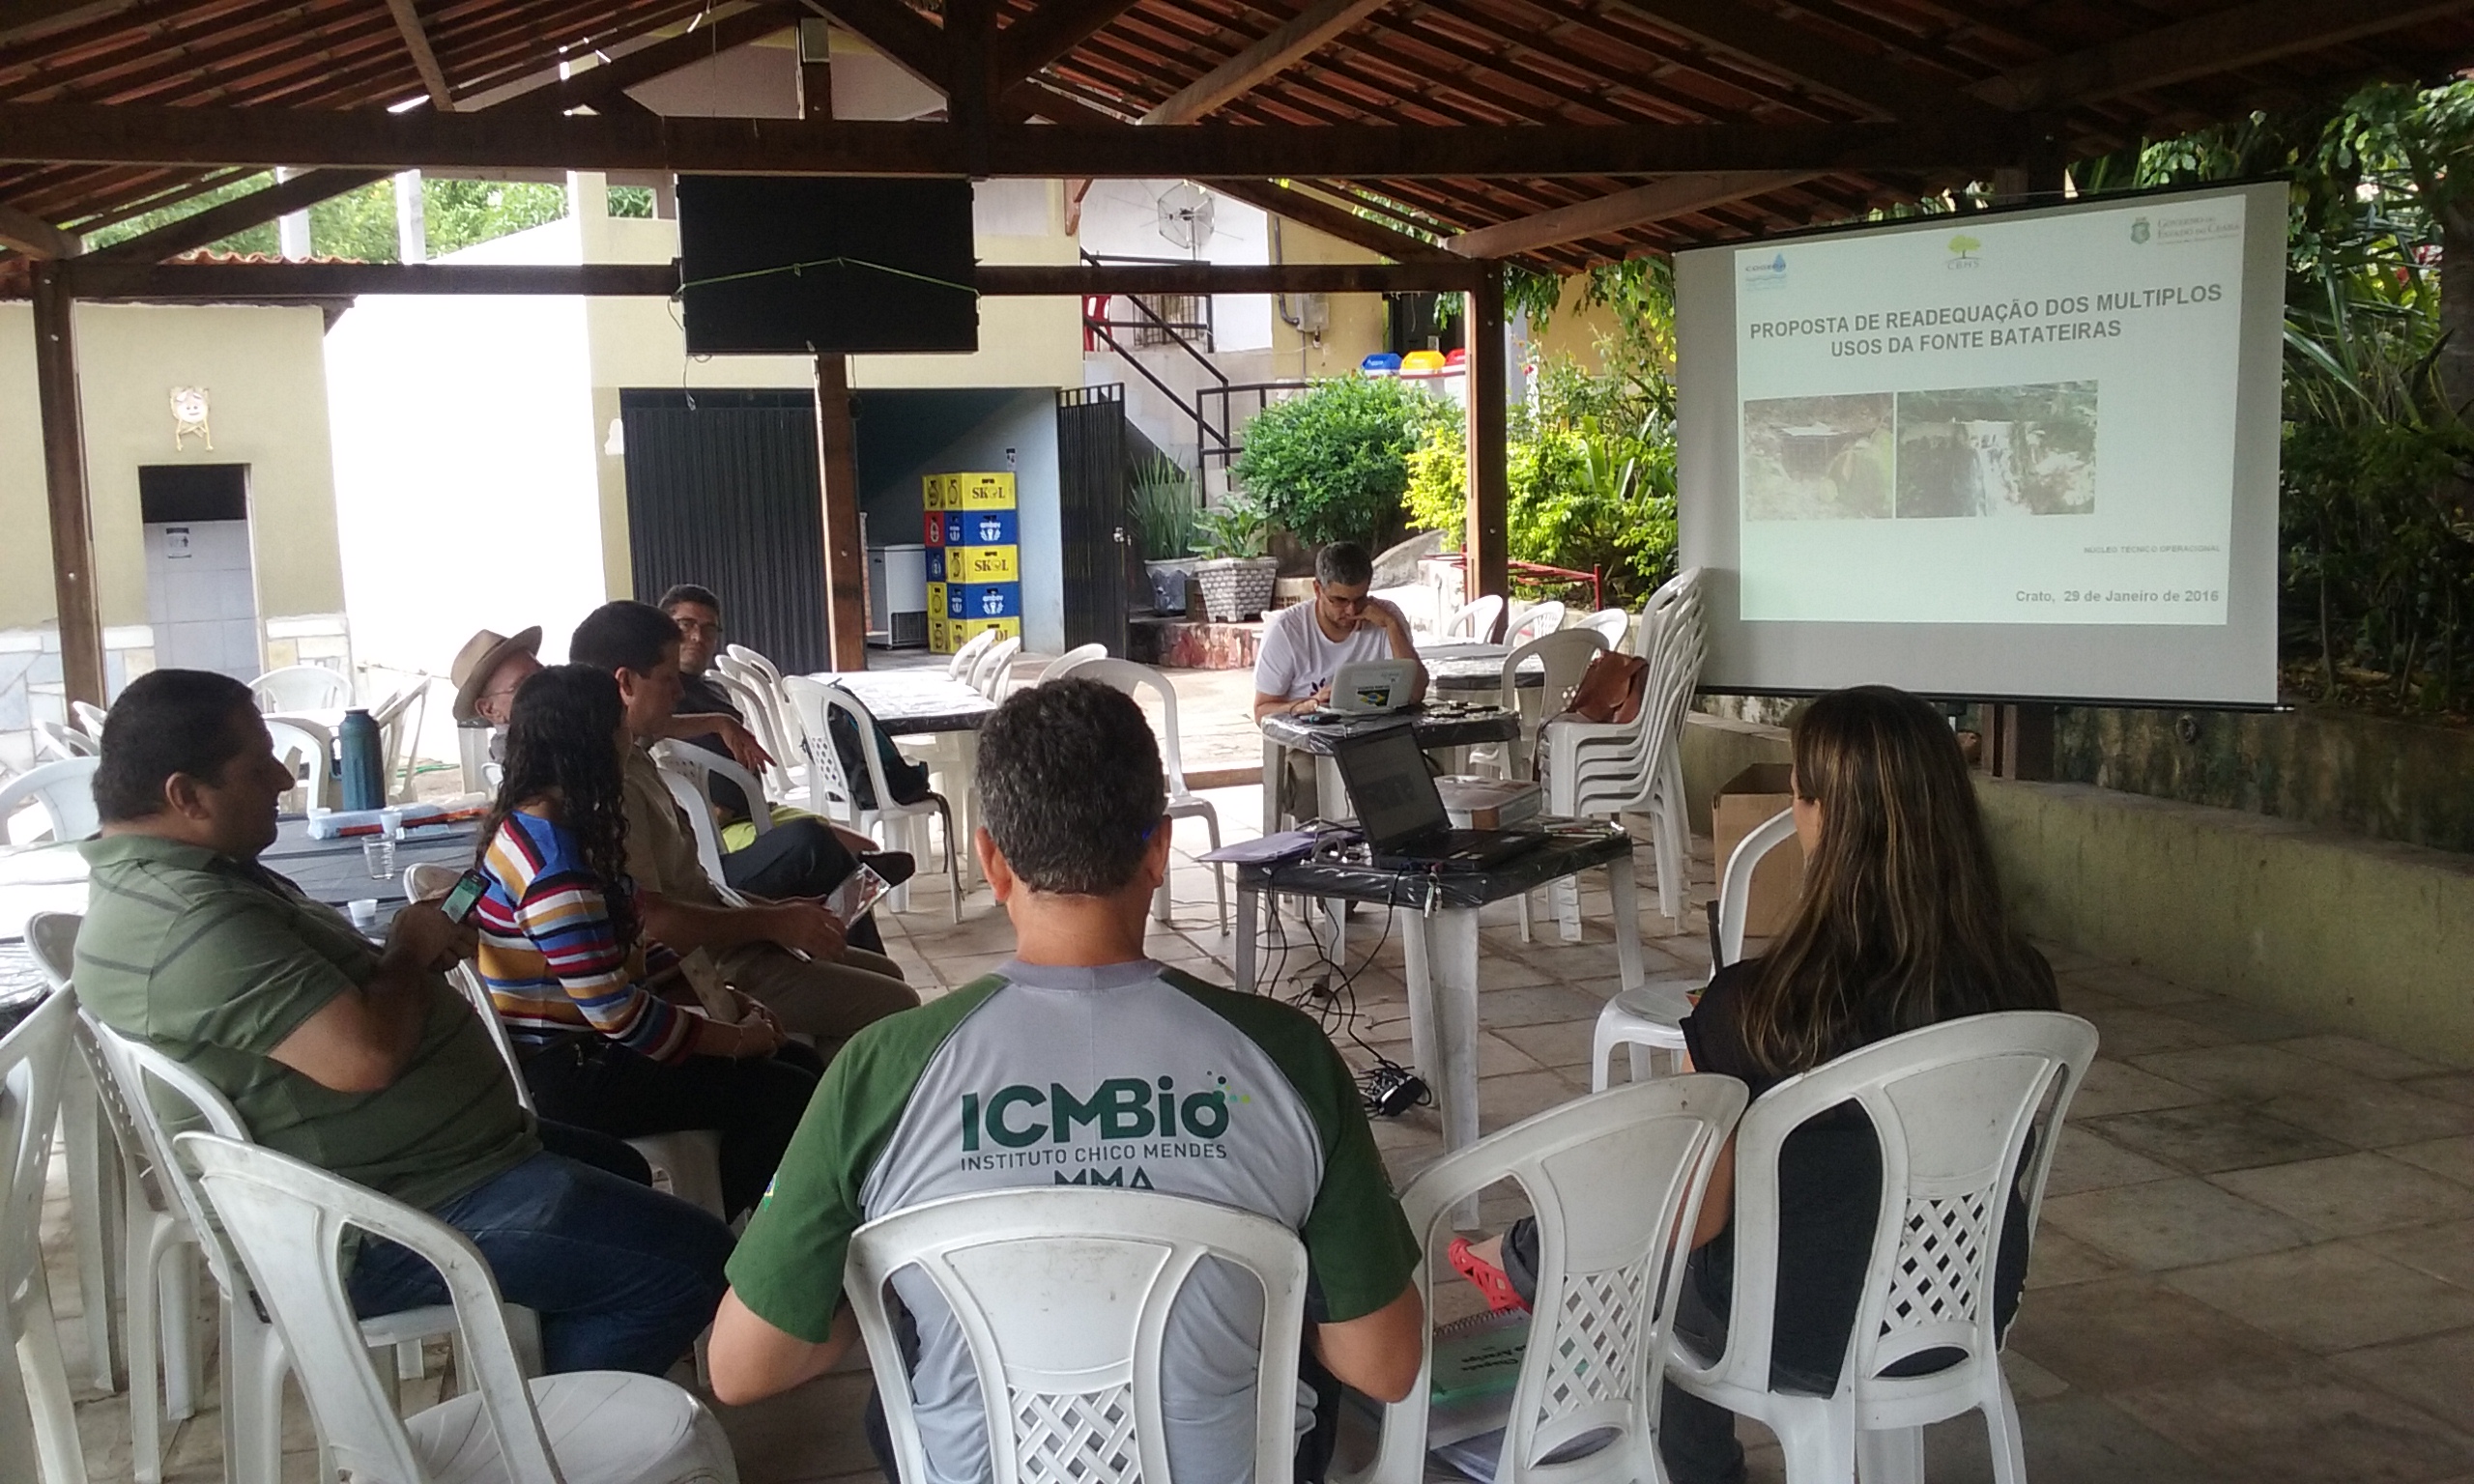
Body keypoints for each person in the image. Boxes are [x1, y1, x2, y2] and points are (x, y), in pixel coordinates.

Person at [706, 679, 1427, 1484]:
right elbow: (1385, 1365)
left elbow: (742, 1368)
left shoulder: (877, 1073)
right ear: (1158, 851)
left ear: (993, 861)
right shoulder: (1287, 1057)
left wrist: (877, 1294)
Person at [1448, 685, 2059, 1484]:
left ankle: (1690, 1458)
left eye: (1800, 794)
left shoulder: (1757, 1006)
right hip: (1962, 1308)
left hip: (1792, 1329)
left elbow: (1687, 1219)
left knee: (1653, 1261)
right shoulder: (2023, 982)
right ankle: (1523, 1257)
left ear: (1824, 817)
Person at [73, 669, 732, 1377]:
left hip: (420, 1167)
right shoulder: (190, 923)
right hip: (375, 1223)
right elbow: (366, 1056)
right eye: (257, 762)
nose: (280, 779)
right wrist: (411, 954)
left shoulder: (188, 879)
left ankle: (552, 1362)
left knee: (620, 1167)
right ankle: (545, 1438)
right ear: (183, 795)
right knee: (697, 1268)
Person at [471, 663, 823, 1221]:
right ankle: (734, 1233)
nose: (627, 741)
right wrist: (734, 1040)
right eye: (619, 729)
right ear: (590, 743)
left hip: (581, 1048)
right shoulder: (554, 867)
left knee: (796, 1063)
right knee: (784, 1093)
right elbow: (620, 1017)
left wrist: (725, 998)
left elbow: (619, 941)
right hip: (573, 1072)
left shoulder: (524, 824)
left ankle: (752, 1217)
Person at [568, 600, 919, 1058]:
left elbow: (691, 889)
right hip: (702, 969)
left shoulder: (628, 747)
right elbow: (653, 923)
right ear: (625, 683)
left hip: (725, 936)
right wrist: (774, 922)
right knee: (897, 1003)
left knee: (884, 977)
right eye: (669, 679)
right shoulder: (611, 786)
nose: (679, 692)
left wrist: (778, 912)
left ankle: (826, 1078)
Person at [655, 583, 913, 951]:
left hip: (758, 806)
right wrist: (719, 724)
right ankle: (853, 939)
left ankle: (842, 923)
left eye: (708, 628)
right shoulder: (660, 691)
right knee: (818, 846)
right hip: (719, 827)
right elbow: (649, 731)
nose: (697, 636)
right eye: (685, 625)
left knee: (858, 851)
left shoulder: (708, 688)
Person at [1251, 541, 1427, 725]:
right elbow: (1261, 711)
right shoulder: (1286, 630)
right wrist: (1311, 703)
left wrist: (1391, 626)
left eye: (1360, 599)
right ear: (1318, 590)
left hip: (1374, 733)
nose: (1351, 610)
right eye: (1339, 600)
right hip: (1307, 739)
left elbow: (1416, 693)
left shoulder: (1386, 616)